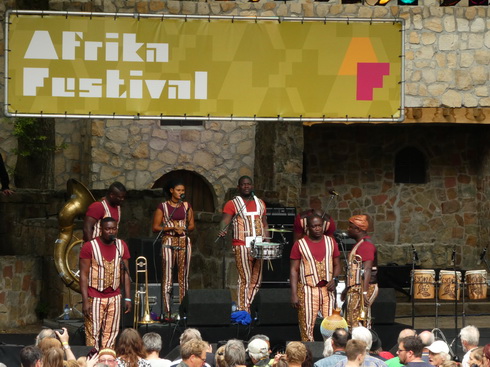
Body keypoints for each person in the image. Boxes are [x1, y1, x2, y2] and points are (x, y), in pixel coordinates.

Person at [219, 176, 269, 313]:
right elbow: (225, 220)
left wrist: (268, 241)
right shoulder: (232, 203)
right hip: (241, 245)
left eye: (248, 184)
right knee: (245, 279)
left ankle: (250, 307)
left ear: (252, 186)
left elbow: (264, 224)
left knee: (257, 280)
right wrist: (222, 229)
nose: (246, 186)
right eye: (243, 184)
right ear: (238, 187)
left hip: (259, 245)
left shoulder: (260, 203)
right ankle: (242, 309)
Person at [79, 217, 131, 350]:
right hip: (95, 296)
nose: (111, 231)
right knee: (93, 333)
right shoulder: (89, 246)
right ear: (101, 230)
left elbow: (125, 273)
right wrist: (85, 300)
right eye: (107, 229)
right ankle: (93, 361)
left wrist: (128, 297)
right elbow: (83, 275)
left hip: (114, 296)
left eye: (113, 228)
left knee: (111, 333)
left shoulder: (121, 245)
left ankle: (107, 361)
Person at [290, 213, 341, 341]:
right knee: (307, 326)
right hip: (308, 289)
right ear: (308, 228)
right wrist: (294, 294)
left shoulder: (331, 242)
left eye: (320, 225)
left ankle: (331, 354)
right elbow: (293, 270)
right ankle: (308, 356)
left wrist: (334, 279)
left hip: (327, 290)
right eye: (314, 226)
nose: (318, 229)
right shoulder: (299, 244)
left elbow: (337, 265)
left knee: (332, 325)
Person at [152, 180, 195, 320]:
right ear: (171, 191)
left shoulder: (187, 206)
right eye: (178, 190)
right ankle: (167, 311)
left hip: (183, 241)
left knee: (183, 276)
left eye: (183, 190)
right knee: (168, 277)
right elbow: (156, 227)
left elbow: (192, 225)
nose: (181, 193)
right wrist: (171, 228)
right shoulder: (163, 207)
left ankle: (184, 310)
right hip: (168, 240)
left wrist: (183, 229)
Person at [342, 215, 378, 329]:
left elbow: (366, 269)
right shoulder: (360, 244)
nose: (348, 229)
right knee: (352, 319)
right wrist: (347, 289)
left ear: (358, 229)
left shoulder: (366, 245)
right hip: (356, 287)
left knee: (358, 319)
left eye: (350, 227)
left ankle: (362, 344)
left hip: (363, 287)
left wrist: (365, 292)